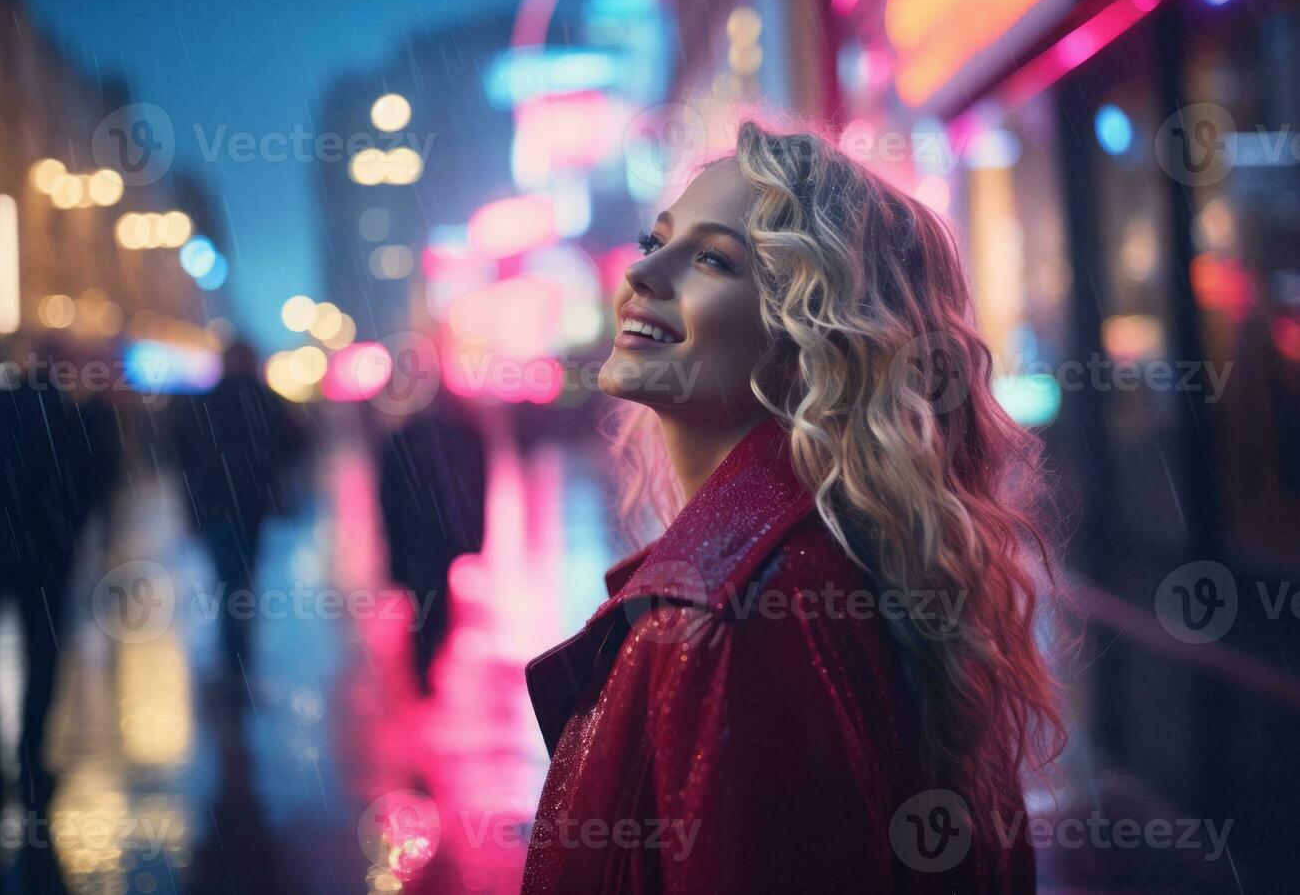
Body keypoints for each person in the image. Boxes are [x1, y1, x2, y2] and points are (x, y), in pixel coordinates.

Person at [521, 120, 1066, 893]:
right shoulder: (824, 554)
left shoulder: (730, 611)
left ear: (809, 338)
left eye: (713, 259)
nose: (643, 274)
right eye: (657, 240)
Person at [0, 338, 121, 894]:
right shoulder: (69, 418)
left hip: (6, 549)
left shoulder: (7, 412)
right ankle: (32, 752)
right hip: (47, 559)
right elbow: (92, 483)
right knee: (41, 657)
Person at [172, 340, 305, 695]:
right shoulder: (265, 400)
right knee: (243, 578)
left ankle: (234, 659)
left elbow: (181, 453)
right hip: (252, 505)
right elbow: (297, 443)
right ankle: (238, 659)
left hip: (215, 506)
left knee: (228, 580)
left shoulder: (203, 402)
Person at [376, 395, 486, 696]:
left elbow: (387, 498)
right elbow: (476, 487)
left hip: (421, 537)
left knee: (429, 603)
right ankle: (422, 661)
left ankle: (421, 660)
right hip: (433, 536)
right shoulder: (459, 438)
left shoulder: (408, 439)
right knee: (433, 604)